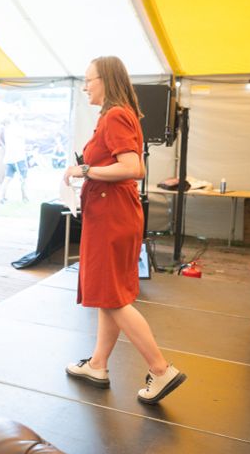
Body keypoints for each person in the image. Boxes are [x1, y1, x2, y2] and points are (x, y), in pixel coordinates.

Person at [63, 55, 185, 404]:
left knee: (113, 298)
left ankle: (161, 370)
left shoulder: (115, 115)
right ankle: (98, 364)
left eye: (89, 80)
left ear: (106, 80)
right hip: (112, 214)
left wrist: (83, 170)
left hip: (111, 217)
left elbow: (132, 167)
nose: (86, 86)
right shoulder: (115, 115)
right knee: (108, 292)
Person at [0, 116, 29, 203]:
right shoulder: (17, 129)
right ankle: (25, 197)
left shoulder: (8, 130)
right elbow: (25, 136)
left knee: (7, 178)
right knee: (23, 179)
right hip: (18, 158)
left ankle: (1, 197)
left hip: (9, 158)